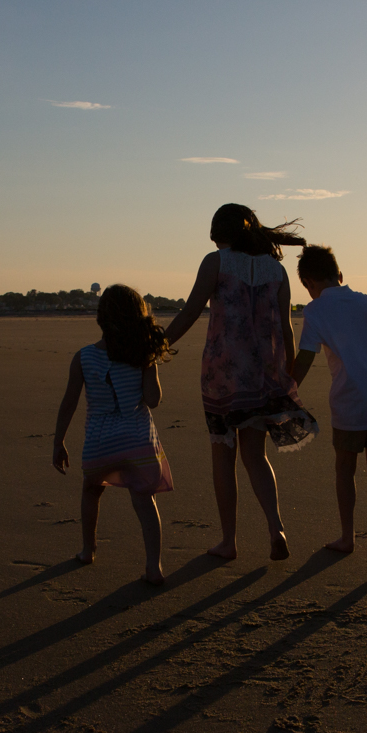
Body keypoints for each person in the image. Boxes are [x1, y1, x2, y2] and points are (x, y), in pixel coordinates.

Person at [163, 204, 318, 561]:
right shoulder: (276, 270)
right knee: (256, 455)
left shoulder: (216, 262)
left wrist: (159, 345)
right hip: (263, 377)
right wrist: (288, 375)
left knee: (223, 456)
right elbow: (285, 327)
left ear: (223, 231)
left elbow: (190, 311)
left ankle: (229, 541)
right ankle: (275, 527)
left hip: (222, 376)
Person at [289, 245, 367, 559]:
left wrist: (288, 391)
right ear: (339, 274)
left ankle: (347, 537)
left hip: (350, 401)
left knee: (345, 468)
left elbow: (306, 356)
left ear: (308, 283)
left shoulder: (315, 310)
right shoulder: (364, 301)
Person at [52, 285, 174, 584]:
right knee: (144, 501)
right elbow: (153, 399)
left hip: (100, 442)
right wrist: (150, 366)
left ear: (101, 318)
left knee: (91, 490)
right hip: (138, 441)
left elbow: (69, 402)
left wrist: (59, 442)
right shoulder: (142, 355)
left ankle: (87, 550)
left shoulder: (84, 357)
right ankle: (153, 566)